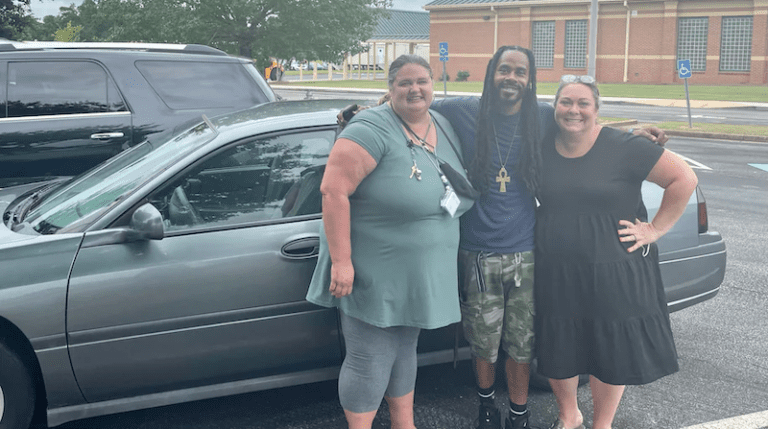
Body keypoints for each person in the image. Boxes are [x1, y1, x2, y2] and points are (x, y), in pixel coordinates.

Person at [337, 46, 668, 429]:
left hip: (527, 250)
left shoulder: (543, 116)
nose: (511, 78)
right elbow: (413, 102)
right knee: (483, 343)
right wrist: (369, 109)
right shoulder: (462, 110)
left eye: (520, 72)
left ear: (529, 81)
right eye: (504, 70)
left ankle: (519, 410)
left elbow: (583, 126)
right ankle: (485, 406)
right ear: (492, 72)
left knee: (522, 344)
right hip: (477, 251)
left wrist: (634, 135)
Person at [305, 54, 474, 429]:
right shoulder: (371, 129)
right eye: (405, 83)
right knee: (369, 358)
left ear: (433, 84)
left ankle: (404, 424)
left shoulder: (441, 123)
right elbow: (333, 192)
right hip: (375, 268)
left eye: (423, 81)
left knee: (403, 350)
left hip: (418, 272)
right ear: (390, 87)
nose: (415, 89)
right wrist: (342, 262)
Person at [533, 75, 698, 429]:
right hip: (556, 267)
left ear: (596, 110)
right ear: (554, 107)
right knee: (559, 341)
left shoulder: (625, 146)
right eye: (566, 102)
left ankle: (602, 423)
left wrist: (654, 228)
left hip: (614, 269)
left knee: (609, 346)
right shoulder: (542, 144)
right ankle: (569, 415)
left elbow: (684, 178)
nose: (573, 110)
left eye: (582, 104)